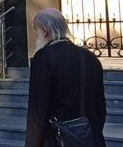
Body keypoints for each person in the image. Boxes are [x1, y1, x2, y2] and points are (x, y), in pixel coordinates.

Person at [25, 8, 107, 147]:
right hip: (91, 137)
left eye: (36, 31)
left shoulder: (43, 58)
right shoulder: (89, 56)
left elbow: (38, 111)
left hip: (57, 139)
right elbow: (100, 106)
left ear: (44, 30)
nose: (37, 36)